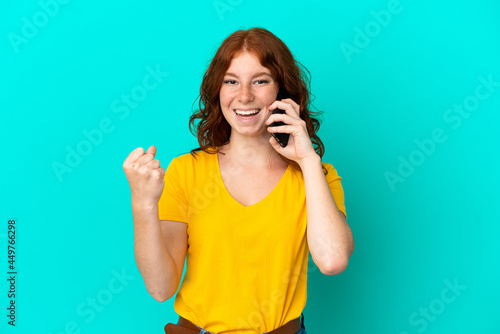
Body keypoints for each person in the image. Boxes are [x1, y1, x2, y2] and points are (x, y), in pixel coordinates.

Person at [123, 27, 354, 334]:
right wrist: (142, 203)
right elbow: (160, 288)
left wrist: (308, 160)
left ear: (282, 92)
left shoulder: (317, 177)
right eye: (231, 81)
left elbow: (332, 261)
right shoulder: (186, 172)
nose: (244, 96)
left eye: (260, 81)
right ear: (218, 91)